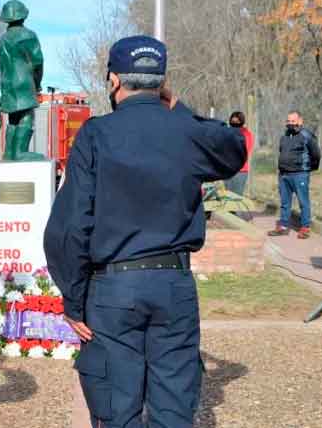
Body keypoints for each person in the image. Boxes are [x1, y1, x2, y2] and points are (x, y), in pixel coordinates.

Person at [44, 35, 246, 428]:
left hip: (113, 288)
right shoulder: (185, 131)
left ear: (114, 80)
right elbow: (233, 150)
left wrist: (74, 298)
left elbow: (71, 225)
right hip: (173, 283)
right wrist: (179, 109)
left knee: (117, 409)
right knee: (173, 408)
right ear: (162, 84)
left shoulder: (97, 135)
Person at [0, 0, 44, 161]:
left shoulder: (3, 39)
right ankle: (20, 152)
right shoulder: (28, 35)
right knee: (26, 115)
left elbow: (2, 65)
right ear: (23, 16)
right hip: (24, 82)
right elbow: (38, 62)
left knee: (13, 118)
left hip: (7, 84)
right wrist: (37, 84)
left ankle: (9, 153)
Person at [268, 110, 320, 239]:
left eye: (293, 121)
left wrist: (309, 168)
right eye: (288, 121)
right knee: (285, 202)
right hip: (284, 174)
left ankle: (305, 227)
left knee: (303, 201)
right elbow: (282, 152)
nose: (290, 124)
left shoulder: (306, 135)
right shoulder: (284, 136)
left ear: (300, 121)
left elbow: (316, 154)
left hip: (300, 174)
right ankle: (283, 226)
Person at [224, 111, 254, 196]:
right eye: (232, 121)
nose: (234, 123)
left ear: (242, 122)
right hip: (227, 170)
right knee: (227, 197)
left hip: (240, 171)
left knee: (236, 197)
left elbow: (245, 150)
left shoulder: (246, 134)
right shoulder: (226, 132)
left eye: (237, 121)